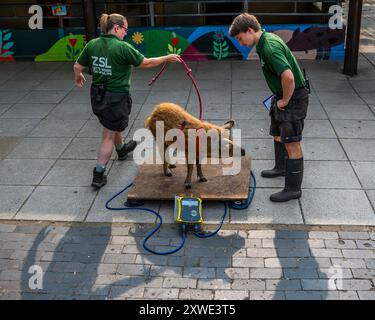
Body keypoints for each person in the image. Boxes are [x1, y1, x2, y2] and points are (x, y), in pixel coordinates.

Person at [74, 13, 181, 188]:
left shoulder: (92, 44)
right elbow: (145, 63)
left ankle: (122, 149)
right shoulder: (122, 47)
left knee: (110, 125)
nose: (126, 33)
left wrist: (78, 77)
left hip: (97, 97)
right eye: (125, 29)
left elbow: (77, 66)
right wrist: (166, 58)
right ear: (116, 28)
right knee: (108, 134)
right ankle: (99, 173)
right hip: (116, 98)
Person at [229, 13, 309, 202]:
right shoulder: (264, 41)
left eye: (241, 38)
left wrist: (285, 101)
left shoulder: (270, 47)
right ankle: (281, 167)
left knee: (291, 141)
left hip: (292, 97)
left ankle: (293, 189)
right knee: (277, 133)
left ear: (249, 30)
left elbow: (288, 77)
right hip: (282, 95)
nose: (241, 43)